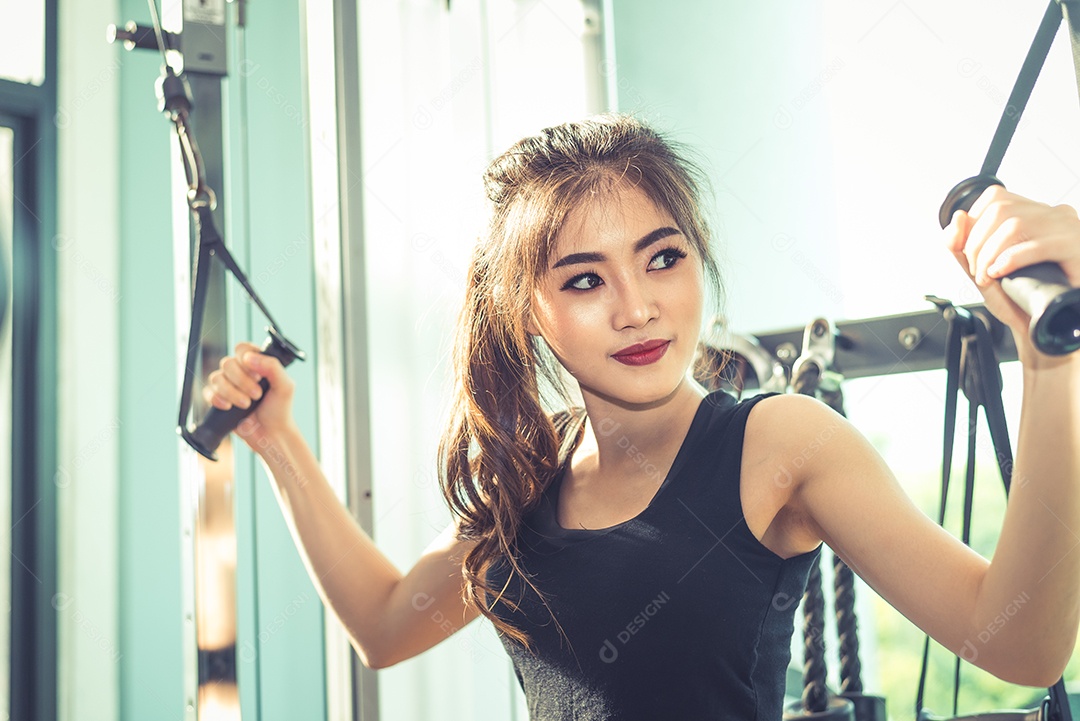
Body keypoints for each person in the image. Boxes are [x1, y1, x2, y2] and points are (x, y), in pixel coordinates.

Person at [204, 113, 1080, 719]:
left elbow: (1023, 643)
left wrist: (1050, 358)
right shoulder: (532, 467)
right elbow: (386, 624)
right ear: (526, 311)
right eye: (584, 279)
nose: (637, 307)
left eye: (663, 258)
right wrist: (279, 443)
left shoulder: (778, 443)